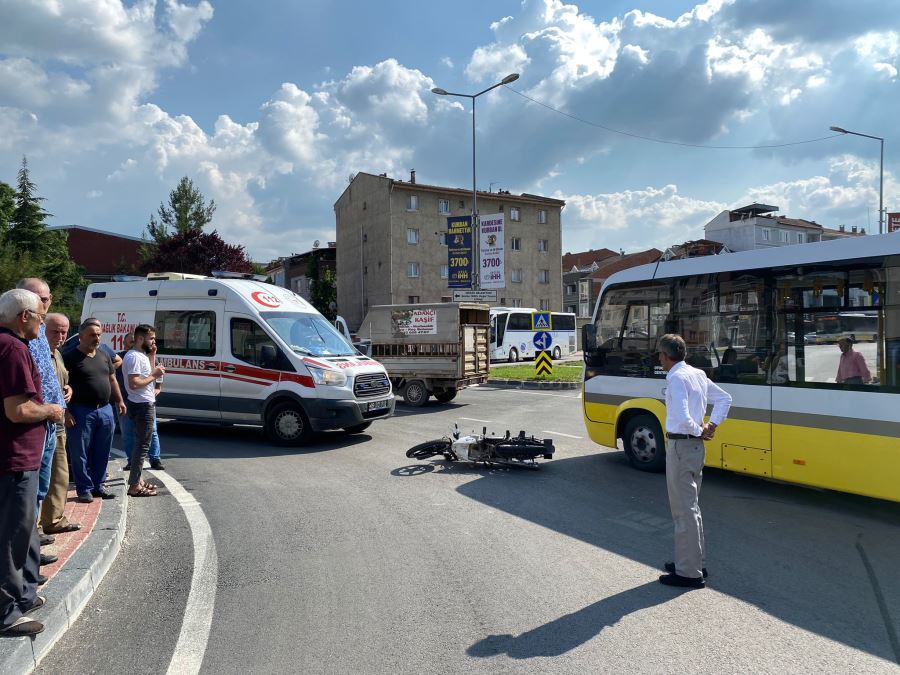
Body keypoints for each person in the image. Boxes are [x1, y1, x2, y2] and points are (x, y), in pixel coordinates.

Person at [0, 288, 65, 637]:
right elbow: (18, 410)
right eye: (40, 317)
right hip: (15, 459)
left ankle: (23, 595)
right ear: (24, 316)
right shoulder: (13, 348)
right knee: (11, 536)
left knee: (18, 532)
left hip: (13, 457)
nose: (42, 322)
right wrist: (52, 410)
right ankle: (6, 612)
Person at [657, 333, 732, 589]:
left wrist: (702, 429)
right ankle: (693, 561)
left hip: (681, 445)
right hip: (695, 448)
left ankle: (689, 572)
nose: (660, 359)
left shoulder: (676, 377)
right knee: (692, 507)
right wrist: (712, 425)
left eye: (660, 354)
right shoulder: (697, 374)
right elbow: (725, 398)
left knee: (683, 510)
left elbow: (682, 414)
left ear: (666, 356)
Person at [15, 279, 66, 563]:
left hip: (50, 420)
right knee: (28, 492)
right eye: (36, 298)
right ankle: (25, 556)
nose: (41, 304)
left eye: (45, 299)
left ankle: (31, 547)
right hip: (33, 422)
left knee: (40, 489)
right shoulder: (20, 336)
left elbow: (47, 374)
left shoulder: (41, 331)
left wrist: (62, 393)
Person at [63, 319, 127, 503]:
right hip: (81, 410)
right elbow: (61, 385)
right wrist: (66, 411)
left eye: (98, 335)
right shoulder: (69, 357)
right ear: (81, 336)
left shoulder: (104, 354)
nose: (96, 338)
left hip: (105, 410)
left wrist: (120, 401)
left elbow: (112, 379)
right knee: (80, 452)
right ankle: (84, 489)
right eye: (92, 335)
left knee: (102, 450)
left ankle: (98, 486)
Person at [39, 313, 82, 535]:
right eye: (55, 331)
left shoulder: (58, 354)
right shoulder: (36, 353)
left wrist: (69, 389)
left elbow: (63, 381)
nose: (61, 336)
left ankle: (54, 519)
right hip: (41, 422)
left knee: (60, 474)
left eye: (64, 332)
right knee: (40, 479)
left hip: (58, 421)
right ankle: (36, 528)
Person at [123, 324, 165, 497]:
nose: (154, 341)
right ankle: (134, 486)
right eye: (151, 338)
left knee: (140, 445)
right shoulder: (133, 357)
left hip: (143, 402)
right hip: (141, 405)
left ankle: (137, 480)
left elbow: (147, 373)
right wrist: (154, 375)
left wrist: (153, 355)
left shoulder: (141, 355)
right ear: (140, 339)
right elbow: (134, 383)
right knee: (142, 446)